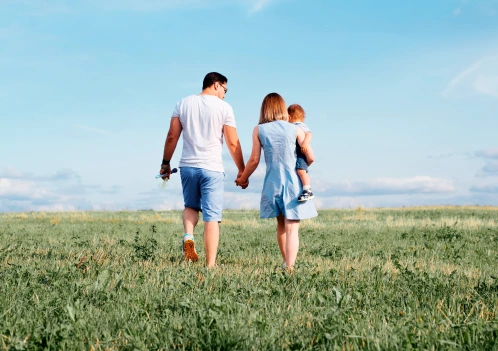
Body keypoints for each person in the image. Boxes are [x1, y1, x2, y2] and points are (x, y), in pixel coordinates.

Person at [159, 72, 246, 267]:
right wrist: (242, 169)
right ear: (216, 85)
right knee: (212, 217)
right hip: (212, 168)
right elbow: (233, 143)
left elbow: (172, 136)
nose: (225, 94)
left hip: (188, 166)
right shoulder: (225, 108)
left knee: (190, 207)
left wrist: (165, 163)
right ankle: (211, 265)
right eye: (225, 89)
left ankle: (189, 236)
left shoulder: (183, 103)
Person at [235, 93, 317, 271]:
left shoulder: (259, 130)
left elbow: (254, 160)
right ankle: (290, 266)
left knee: (280, 225)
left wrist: (243, 178)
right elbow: (310, 156)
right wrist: (303, 166)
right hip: (293, 183)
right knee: (292, 228)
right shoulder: (295, 129)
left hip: (272, 182)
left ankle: (285, 261)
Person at [288, 104, 314, 202]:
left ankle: (307, 190)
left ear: (289, 117)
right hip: (299, 153)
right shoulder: (296, 126)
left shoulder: (298, 126)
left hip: (301, 154)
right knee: (300, 172)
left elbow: (309, 134)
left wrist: (305, 144)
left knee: (301, 171)